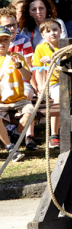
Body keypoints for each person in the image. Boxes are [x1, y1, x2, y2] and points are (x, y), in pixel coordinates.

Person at [0, 26, 34, 160]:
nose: (2, 43)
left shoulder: (17, 56)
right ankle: (10, 147)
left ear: (10, 41)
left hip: (19, 98)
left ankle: (15, 137)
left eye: (5, 40)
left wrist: (19, 66)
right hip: (2, 100)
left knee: (31, 111)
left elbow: (29, 77)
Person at [31, 19, 62, 148]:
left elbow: (71, 64)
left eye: (55, 30)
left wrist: (54, 59)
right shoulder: (40, 48)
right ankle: (54, 135)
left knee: (62, 96)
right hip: (52, 83)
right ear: (43, 35)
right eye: (48, 31)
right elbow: (38, 70)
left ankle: (57, 133)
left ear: (61, 31)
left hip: (68, 81)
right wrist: (41, 87)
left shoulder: (66, 46)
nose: (53, 33)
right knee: (58, 97)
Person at [0, 6, 35, 101]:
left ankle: (24, 114)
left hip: (21, 81)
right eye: (7, 26)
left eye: (14, 25)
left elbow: (28, 65)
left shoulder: (24, 40)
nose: (12, 28)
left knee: (26, 95)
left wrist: (34, 86)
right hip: (3, 81)